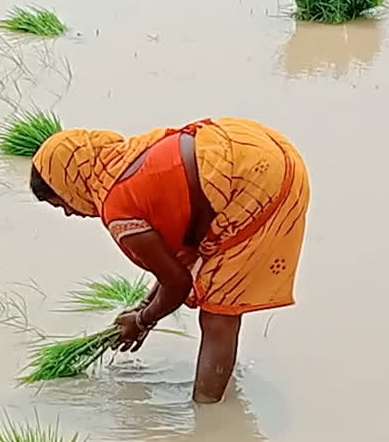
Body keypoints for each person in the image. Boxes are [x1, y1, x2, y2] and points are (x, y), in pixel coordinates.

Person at [30, 118, 310, 404]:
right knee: (219, 302)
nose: (68, 212)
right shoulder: (126, 159)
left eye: (61, 203)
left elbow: (177, 282)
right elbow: (173, 264)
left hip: (256, 181)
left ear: (69, 184)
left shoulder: (118, 211)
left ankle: (207, 419)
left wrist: (142, 321)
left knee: (218, 317)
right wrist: (142, 308)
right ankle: (223, 381)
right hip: (256, 146)